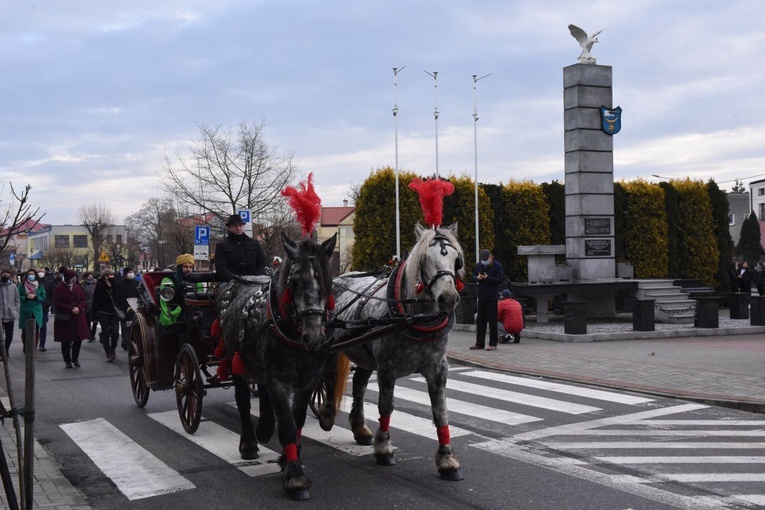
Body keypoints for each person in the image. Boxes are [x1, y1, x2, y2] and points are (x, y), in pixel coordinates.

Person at [214, 214, 269, 282]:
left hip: (255, 283)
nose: (238, 228)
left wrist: (256, 278)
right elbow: (220, 268)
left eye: (240, 225)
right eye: (235, 226)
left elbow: (264, 263)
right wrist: (234, 278)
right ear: (229, 228)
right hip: (232, 283)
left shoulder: (254, 243)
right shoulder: (222, 246)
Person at [53, 268, 89, 368]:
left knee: (78, 339)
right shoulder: (59, 288)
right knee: (66, 340)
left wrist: (79, 307)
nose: (74, 280)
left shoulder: (78, 287)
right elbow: (57, 303)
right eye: (73, 278)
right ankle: (67, 360)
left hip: (78, 317)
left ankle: (75, 358)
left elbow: (83, 299)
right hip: (66, 318)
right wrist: (70, 309)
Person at [470, 248, 504, 351]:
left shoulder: (497, 265)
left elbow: (500, 279)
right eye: (482, 260)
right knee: (481, 321)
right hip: (482, 296)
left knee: (492, 321)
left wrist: (488, 278)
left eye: (486, 259)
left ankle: (493, 343)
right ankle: (479, 343)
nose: (484, 261)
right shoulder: (479, 265)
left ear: (490, 257)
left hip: (492, 297)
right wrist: (477, 278)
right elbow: (473, 275)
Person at [92, 269, 120, 362]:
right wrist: (94, 315)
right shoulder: (100, 286)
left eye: (113, 275)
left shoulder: (116, 284)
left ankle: (113, 349)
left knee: (115, 332)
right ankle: (108, 352)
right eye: (111, 275)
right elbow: (95, 300)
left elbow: (119, 297)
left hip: (114, 312)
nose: (113, 276)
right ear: (106, 276)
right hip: (103, 311)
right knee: (106, 332)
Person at [17, 268, 45, 353]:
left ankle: (33, 348)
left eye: (32, 274)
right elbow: (18, 296)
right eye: (29, 274)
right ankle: (26, 346)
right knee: (25, 330)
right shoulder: (22, 285)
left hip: (36, 310)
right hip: (25, 309)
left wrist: (36, 297)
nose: (30, 276)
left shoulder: (40, 285)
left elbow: (43, 297)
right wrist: (25, 297)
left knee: (36, 330)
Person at [115, 267, 139, 350]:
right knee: (125, 325)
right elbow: (116, 296)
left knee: (133, 325)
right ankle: (125, 341)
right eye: (129, 272)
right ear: (125, 274)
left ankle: (132, 341)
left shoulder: (137, 283)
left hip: (134, 307)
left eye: (132, 272)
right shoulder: (119, 283)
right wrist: (118, 306)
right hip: (124, 307)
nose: (131, 273)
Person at [0, 268, 20, 357]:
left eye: (8, 276)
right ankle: (1, 352)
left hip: (10, 314)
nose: (6, 277)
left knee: (9, 335)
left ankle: (6, 350)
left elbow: (17, 300)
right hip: (0, 315)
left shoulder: (13, 287)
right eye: (4, 275)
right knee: (0, 336)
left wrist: (15, 310)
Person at [37, 266, 55, 352]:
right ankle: (33, 343)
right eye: (39, 271)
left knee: (43, 326)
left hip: (44, 307)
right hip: (34, 307)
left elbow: (52, 294)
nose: (40, 273)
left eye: (42, 271)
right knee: (34, 326)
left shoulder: (48, 282)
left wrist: (49, 303)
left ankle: (42, 344)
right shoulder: (33, 282)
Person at [81, 271, 98, 341]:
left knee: (95, 322)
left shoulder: (95, 284)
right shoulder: (82, 285)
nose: (91, 277)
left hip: (95, 306)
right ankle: (89, 334)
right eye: (89, 276)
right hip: (86, 306)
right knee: (87, 322)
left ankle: (92, 335)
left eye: (91, 276)